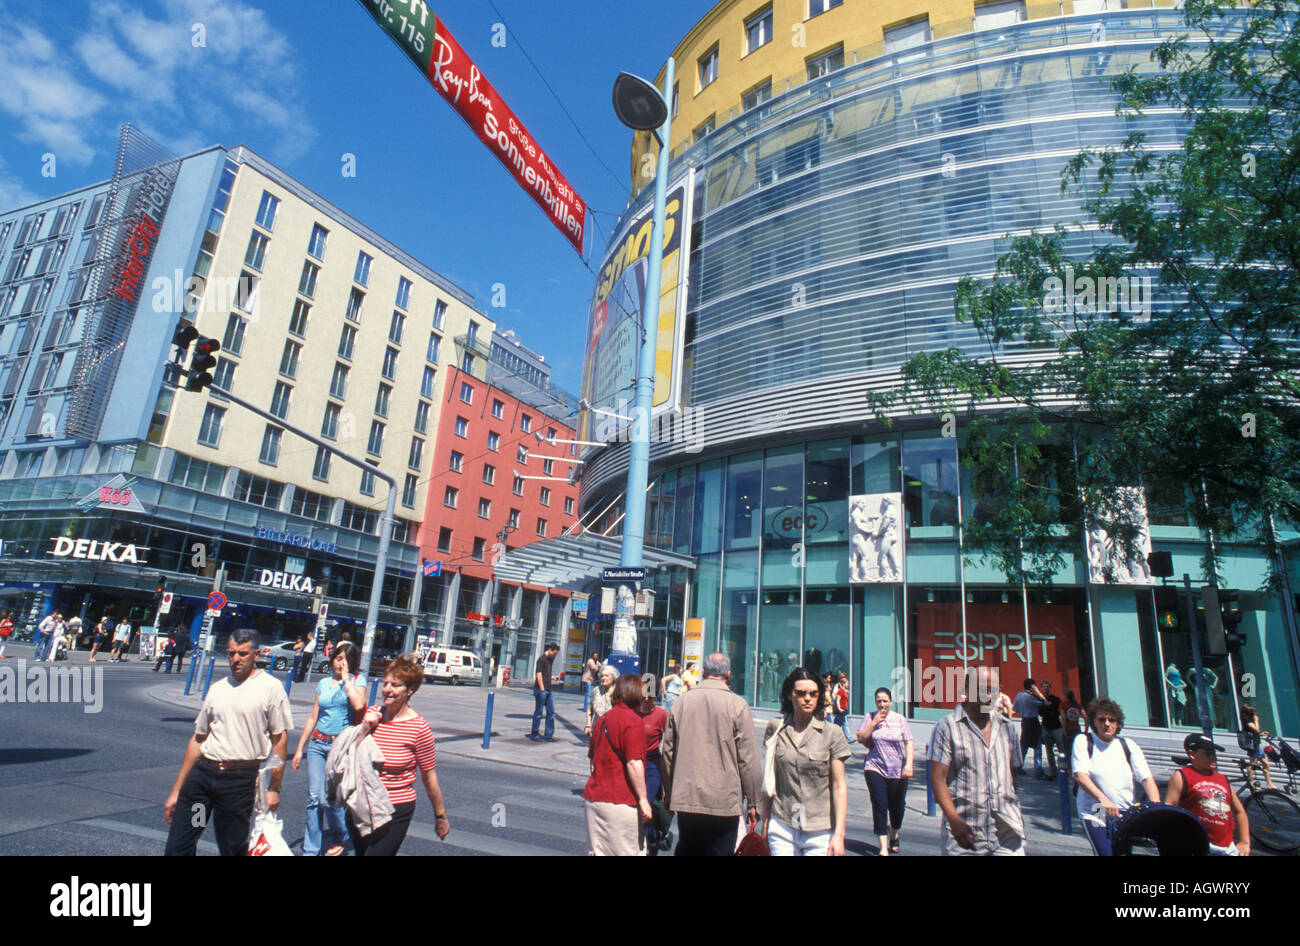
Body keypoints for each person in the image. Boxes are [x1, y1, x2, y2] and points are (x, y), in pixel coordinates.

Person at [163, 628, 293, 856]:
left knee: (231, 848)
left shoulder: (271, 688)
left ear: (256, 654)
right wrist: (177, 789)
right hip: (203, 781)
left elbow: (279, 740)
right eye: (231, 653)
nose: (235, 659)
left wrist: (274, 788)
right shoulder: (218, 688)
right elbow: (198, 739)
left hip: (237, 783)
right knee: (181, 844)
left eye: (242, 654)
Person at [660, 652, 762, 856]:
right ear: (729, 674)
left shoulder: (682, 703)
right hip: (724, 800)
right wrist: (753, 802)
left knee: (689, 848)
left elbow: (667, 752)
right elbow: (748, 760)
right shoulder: (738, 705)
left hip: (688, 797)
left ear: (704, 672)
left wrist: (669, 794)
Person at [351, 655, 450, 855]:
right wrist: (363, 729)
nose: (387, 689)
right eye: (385, 683)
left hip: (395, 808)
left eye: (395, 685)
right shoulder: (372, 714)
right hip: (361, 805)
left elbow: (429, 777)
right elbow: (349, 756)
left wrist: (440, 815)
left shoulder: (419, 728)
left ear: (409, 690)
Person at [929, 666, 1026, 855]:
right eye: (983, 688)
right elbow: (937, 779)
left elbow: (1013, 776)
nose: (989, 695)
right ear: (967, 687)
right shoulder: (947, 727)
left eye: (994, 689)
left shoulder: (1007, 728)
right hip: (965, 831)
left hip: (1007, 831)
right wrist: (953, 819)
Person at [761, 668, 851, 856]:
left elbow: (839, 786)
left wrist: (839, 834)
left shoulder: (832, 734)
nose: (808, 698)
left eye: (813, 693)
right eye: (801, 693)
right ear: (789, 695)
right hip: (782, 823)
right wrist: (766, 820)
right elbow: (770, 778)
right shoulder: (776, 729)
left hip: (819, 829)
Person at [292, 640, 367, 856]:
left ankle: (341, 838)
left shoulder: (356, 680)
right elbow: (313, 716)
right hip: (317, 744)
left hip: (338, 746)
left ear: (353, 663)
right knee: (314, 798)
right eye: (338, 658)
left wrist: (345, 680)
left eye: (346, 660)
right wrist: (299, 748)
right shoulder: (323, 683)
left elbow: (359, 705)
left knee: (330, 799)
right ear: (332, 658)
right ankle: (311, 848)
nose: (340, 664)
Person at [1071, 697, 1160, 856]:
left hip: (1124, 811)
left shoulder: (1128, 745)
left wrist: (1156, 808)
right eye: (1102, 719)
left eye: (1112, 720)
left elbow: (1146, 779)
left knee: (1122, 853)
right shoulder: (1084, 741)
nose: (1107, 724)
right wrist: (1103, 799)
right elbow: (1080, 776)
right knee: (1106, 852)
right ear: (1094, 721)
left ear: (1118, 723)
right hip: (1096, 810)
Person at [584, 674, 654, 855]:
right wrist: (643, 799)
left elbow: (592, 759)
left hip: (594, 799)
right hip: (621, 801)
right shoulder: (633, 722)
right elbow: (633, 763)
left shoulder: (602, 720)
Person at [1165, 734, 1250, 856]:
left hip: (1226, 846)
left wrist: (1244, 841)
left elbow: (1239, 811)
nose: (1213, 757)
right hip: (1196, 844)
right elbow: (1169, 809)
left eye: (1214, 753)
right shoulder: (1182, 776)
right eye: (1208, 753)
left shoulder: (1222, 779)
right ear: (1192, 754)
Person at [858, 686, 914, 855]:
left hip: (898, 770)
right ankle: (883, 848)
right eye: (879, 701)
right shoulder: (869, 717)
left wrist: (909, 765)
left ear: (890, 702)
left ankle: (894, 832)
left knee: (898, 808)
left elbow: (908, 742)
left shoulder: (899, 719)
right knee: (879, 805)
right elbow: (860, 738)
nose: (882, 704)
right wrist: (874, 723)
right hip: (875, 767)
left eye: (885, 701)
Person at [637, 683, 670, 854]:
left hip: (652, 764)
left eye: (649, 697)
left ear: (655, 697)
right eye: (643, 696)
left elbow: (670, 741)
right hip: (635, 762)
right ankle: (646, 839)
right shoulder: (633, 713)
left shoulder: (662, 715)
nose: (645, 700)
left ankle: (652, 839)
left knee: (647, 805)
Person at [527, 643, 562, 742]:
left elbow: (545, 675)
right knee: (538, 712)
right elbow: (539, 675)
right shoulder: (541, 659)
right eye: (554, 653)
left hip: (548, 690)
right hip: (541, 690)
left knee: (551, 712)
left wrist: (552, 677)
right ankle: (534, 734)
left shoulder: (550, 660)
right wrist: (542, 689)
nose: (554, 655)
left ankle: (549, 735)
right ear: (550, 650)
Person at [1012, 678, 1047, 777]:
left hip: (1024, 720)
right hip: (1033, 721)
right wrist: (1038, 692)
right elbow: (1045, 702)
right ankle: (1038, 770)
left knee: (1024, 744)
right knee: (1037, 745)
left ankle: (1019, 766)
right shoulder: (1031, 697)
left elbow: (1015, 708)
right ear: (1032, 687)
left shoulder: (1019, 695)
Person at [1239, 704, 1275, 789]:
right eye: (1253, 712)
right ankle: (1251, 783)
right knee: (1253, 764)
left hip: (1256, 744)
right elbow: (1256, 729)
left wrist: (1260, 734)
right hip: (1253, 746)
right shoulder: (1247, 720)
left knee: (1266, 764)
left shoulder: (1248, 719)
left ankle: (1269, 784)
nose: (1255, 714)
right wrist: (1256, 720)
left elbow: (1255, 733)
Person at [1038, 681, 1066, 779]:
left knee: (1061, 750)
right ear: (1041, 688)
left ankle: (1064, 770)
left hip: (1056, 727)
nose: (1046, 688)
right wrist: (1044, 705)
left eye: (1047, 687)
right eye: (1044, 687)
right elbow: (1040, 713)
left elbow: (1059, 712)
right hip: (1046, 727)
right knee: (1049, 752)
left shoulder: (1056, 699)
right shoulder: (1040, 701)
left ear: (1050, 688)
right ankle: (1053, 772)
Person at [586, 664, 617, 739]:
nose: (603, 678)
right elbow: (590, 709)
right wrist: (588, 725)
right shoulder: (596, 690)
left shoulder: (618, 691)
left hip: (612, 730)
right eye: (602, 676)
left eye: (606, 676)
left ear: (613, 677)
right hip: (596, 729)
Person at [831, 672, 851, 740]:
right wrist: (839, 708)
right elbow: (837, 699)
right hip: (841, 709)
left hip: (844, 709)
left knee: (843, 723)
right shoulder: (840, 690)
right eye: (847, 683)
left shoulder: (844, 690)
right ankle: (847, 738)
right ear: (844, 683)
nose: (848, 684)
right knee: (839, 724)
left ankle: (848, 738)